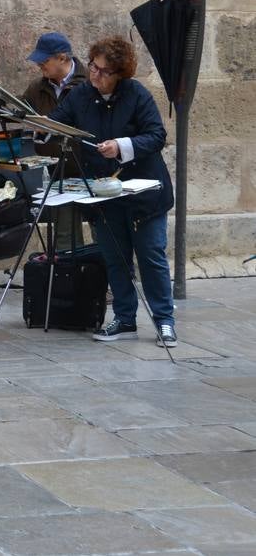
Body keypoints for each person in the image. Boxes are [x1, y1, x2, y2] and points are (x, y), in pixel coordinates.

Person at [48, 35, 176, 347]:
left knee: (150, 255)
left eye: (104, 72)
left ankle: (164, 320)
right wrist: (33, 124)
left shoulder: (136, 94)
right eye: (93, 67)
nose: (95, 75)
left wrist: (121, 146)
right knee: (115, 257)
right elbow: (57, 122)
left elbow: (156, 136)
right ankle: (124, 319)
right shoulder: (80, 95)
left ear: (119, 73)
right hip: (103, 193)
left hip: (142, 191)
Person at [23, 31, 89, 250]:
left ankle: (105, 279)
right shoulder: (37, 88)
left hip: (92, 168)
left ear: (62, 58)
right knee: (64, 238)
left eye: (45, 60)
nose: (40, 64)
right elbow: (24, 115)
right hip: (59, 171)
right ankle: (69, 280)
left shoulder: (90, 83)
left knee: (104, 230)